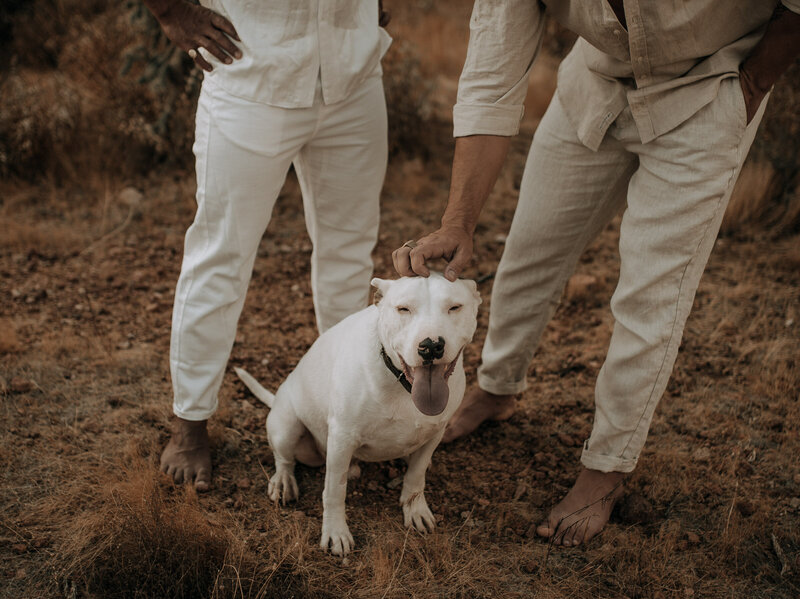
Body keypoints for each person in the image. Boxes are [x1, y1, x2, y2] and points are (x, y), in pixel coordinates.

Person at [393, 0, 800, 545]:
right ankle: (496, 388)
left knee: (650, 296)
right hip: (596, 81)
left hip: (710, 88)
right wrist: (457, 222)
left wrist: (755, 78)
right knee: (529, 249)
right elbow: (491, 84)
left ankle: (606, 468)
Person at [142, 0, 392, 490]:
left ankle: (341, 412)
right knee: (221, 256)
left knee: (350, 252)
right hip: (251, 70)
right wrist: (170, 11)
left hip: (354, 74)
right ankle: (190, 424)